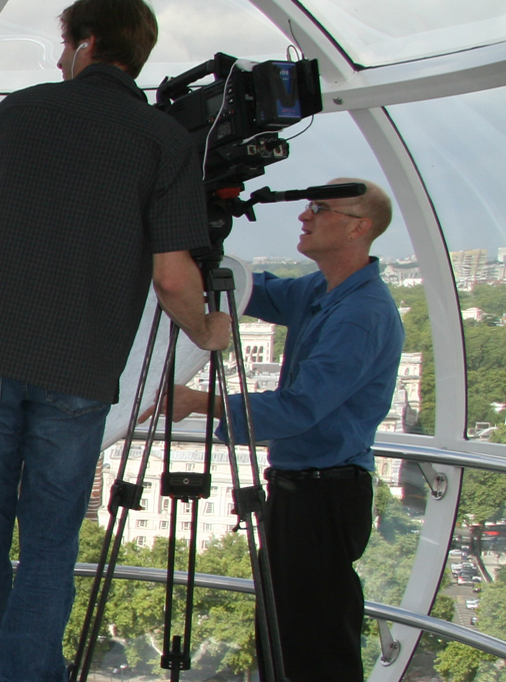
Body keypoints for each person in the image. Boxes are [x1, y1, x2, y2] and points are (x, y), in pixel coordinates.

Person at [0, 0, 233, 678]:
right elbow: (173, 278)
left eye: (64, 43)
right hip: (77, 368)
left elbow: (10, 207)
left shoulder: (15, 113)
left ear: (87, 43)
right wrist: (208, 330)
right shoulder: (163, 141)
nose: (57, 58)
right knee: (48, 546)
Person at [155, 179, 400, 682]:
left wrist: (201, 402)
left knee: (312, 644)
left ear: (359, 227)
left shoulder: (360, 314)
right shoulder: (321, 291)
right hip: (306, 489)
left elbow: (299, 409)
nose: (304, 217)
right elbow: (251, 291)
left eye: (319, 209)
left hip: (323, 495)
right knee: (290, 633)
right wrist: (195, 257)